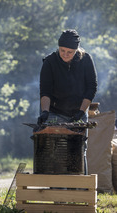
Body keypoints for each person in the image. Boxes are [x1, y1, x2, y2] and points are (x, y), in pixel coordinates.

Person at [37, 29, 97, 174]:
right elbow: (45, 90)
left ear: (76, 50)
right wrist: (45, 112)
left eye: (69, 52)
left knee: (78, 149)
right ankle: (58, 191)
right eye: (62, 50)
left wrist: (81, 112)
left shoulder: (86, 60)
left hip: (78, 111)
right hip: (55, 111)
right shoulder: (50, 62)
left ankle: (80, 190)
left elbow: (91, 88)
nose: (65, 54)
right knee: (55, 150)